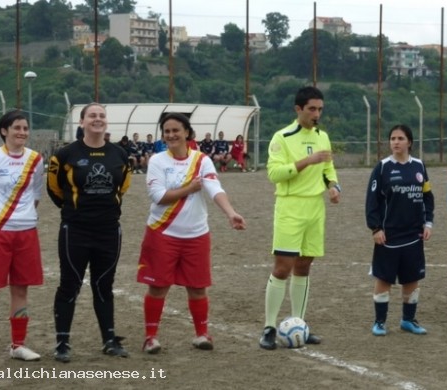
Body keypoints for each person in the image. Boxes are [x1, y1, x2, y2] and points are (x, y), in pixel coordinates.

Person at [137, 113, 246, 353]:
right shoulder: (157, 161)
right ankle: (150, 337)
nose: (171, 135)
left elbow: (214, 188)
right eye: (166, 131)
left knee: (198, 287)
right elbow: (159, 197)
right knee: (158, 287)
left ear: (187, 132)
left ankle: (201, 335)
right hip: (162, 232)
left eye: (176, 130)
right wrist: (189, 188)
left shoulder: (202, 160)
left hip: (196, 234)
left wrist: (230, 213)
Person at [47, 102, 132, 362]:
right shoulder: (64, 155)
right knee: (69, 285)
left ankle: (109, 340)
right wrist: (76, 211)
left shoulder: (120, 154)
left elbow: (123, 188)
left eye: (101, 115)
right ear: (82, 122)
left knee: (103, 285)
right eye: (92, 115)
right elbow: (54, 189)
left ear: (106, 121)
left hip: (108, 231)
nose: (97, 119)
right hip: (76, 230)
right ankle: (62, 343)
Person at [258, 86, 340, 350]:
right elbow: (275, 174)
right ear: (298, 109)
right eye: (312, 109)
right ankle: (269, 328)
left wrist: (334, 186)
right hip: (290, 208)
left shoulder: (323, 137)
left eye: (320, 109)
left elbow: (328, 168)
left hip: (315, 209)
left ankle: (299, 323)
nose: (317, 114)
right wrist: (307, 160)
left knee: (304, 266)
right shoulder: (282, 137)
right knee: (283, 267)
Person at [0, 111, 44, 366]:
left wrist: (25, 217)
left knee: (20, 289)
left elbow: (36, 194)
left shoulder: (36, 159)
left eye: (25, 128)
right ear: (4, 131)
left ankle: (18, 345)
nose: (22, 132)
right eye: (17, 127)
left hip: (26, 233)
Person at [365, 124, 434, 336]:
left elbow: (427, 197)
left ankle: (408, 320)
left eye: (400, 138)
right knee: (384, 278)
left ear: (409, 142)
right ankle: (380, 322)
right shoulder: (383, 167)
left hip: (414, 234)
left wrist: (428, 223)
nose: (396, 142)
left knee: (412, 278)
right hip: (389, 234)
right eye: (393, 138)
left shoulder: (419, 167)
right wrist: (376, 228)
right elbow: (372, 201)